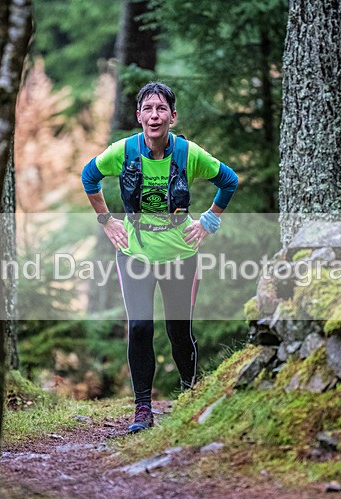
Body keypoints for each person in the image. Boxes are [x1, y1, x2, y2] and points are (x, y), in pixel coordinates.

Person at [81, 82, 238, 433]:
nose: (154, 116)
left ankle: (189, 398)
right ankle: (142, 409)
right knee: (139, 327)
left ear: (172, 116)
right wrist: (107, 222)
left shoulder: (188, 154)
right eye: (148, 109)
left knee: (179, 330)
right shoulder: (123, 151)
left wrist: (208, 222)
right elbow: (89, 177)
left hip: (181, 254)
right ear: (139, 116)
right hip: (135, 252)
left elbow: (229, 181)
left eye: (161, 109)